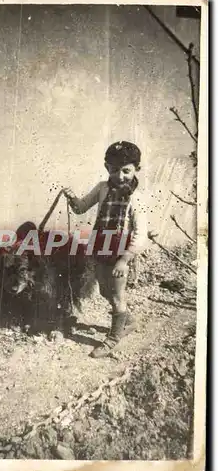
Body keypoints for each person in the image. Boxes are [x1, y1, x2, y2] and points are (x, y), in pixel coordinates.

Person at [63, 141, 148, 358]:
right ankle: (127, 321)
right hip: (101, 246)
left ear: (136, 169)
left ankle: (113, 338)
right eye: (114, 169)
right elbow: (81, 207)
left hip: (121, 251)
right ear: (106, 167)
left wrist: (124, 260)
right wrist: (72, 198)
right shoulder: (102, 188)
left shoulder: (135, 198)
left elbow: (140, 233)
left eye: (126, 170)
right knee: (104, 290)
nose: (120, 176)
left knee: (117, 296)